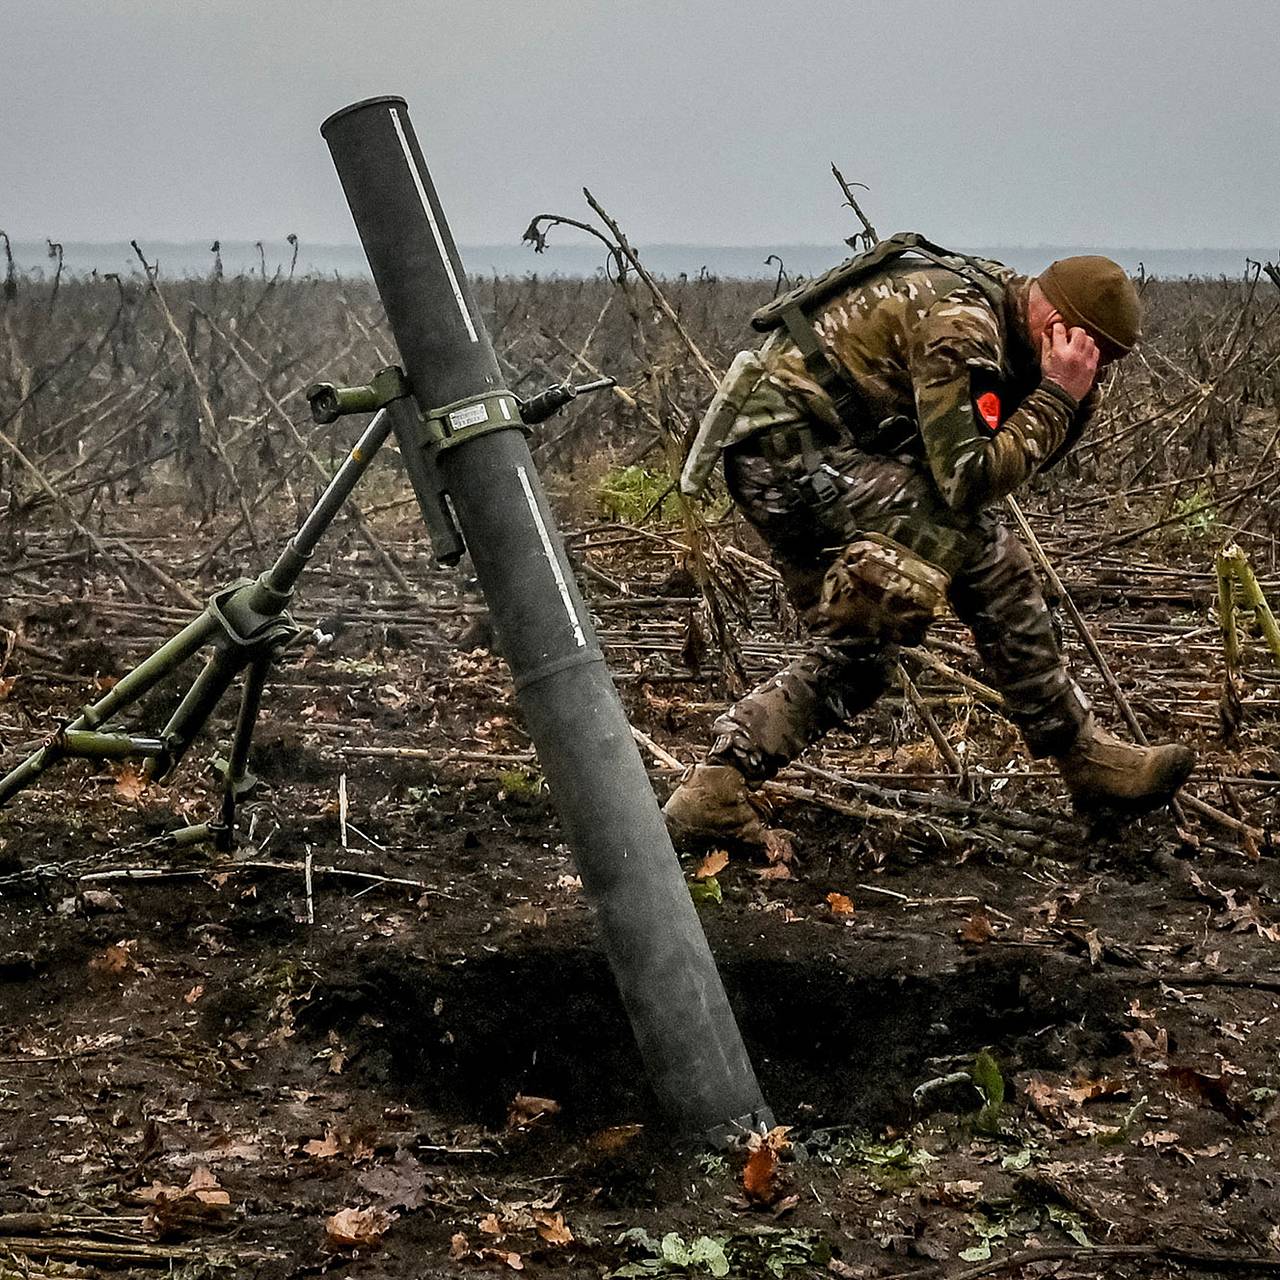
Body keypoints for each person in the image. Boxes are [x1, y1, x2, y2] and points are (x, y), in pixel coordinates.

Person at [663, 234, 1195, 846]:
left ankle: (715, 789)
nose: (1095, 370)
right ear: (1056, 325)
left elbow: (1005, 461)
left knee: (860, 657)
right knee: (987, 550)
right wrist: (1056, 397)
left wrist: (1068, 400)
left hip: (803, 457)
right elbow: (968, 480)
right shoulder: (964, 328)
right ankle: (1084, 758)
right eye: (1093, 353)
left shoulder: (1005, 312)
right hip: (789, 456)